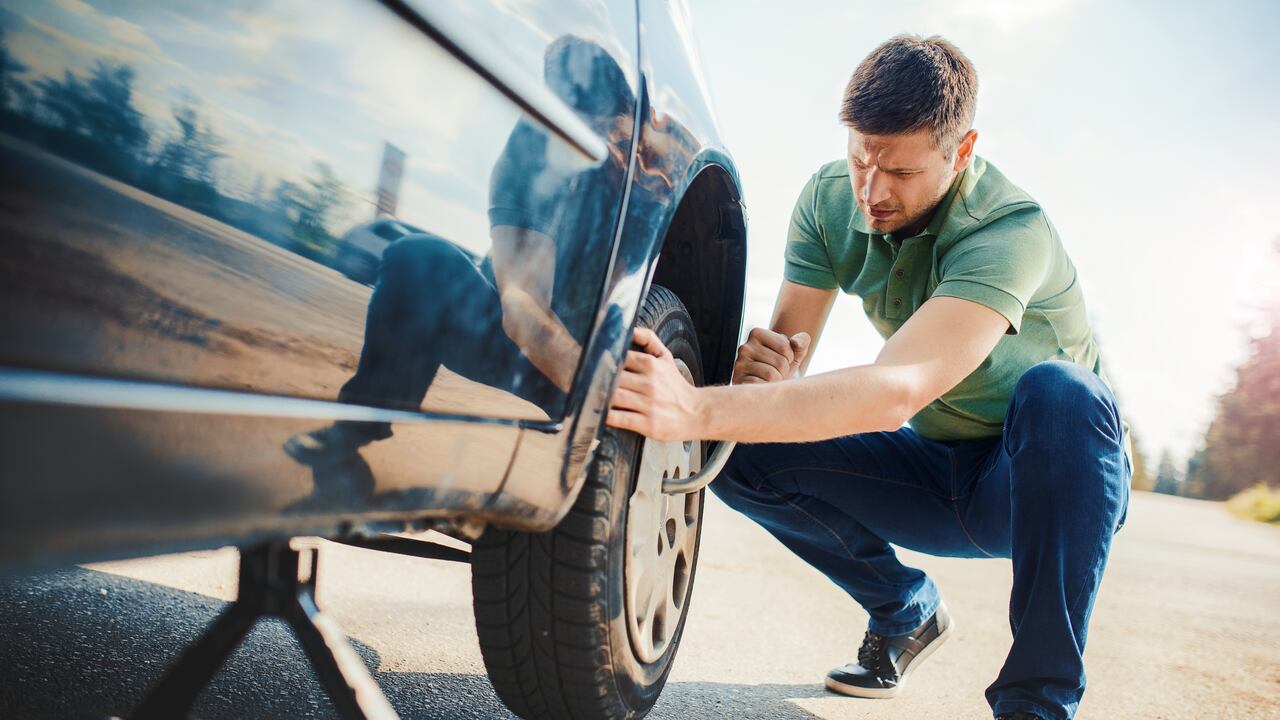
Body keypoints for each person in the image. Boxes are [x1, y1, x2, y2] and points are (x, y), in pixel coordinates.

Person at [605, 34, 1130, 720]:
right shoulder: (831, 199)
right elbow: (787, 354)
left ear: (962, 152)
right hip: (935, 473)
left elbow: (897, 390)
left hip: (1036, 484)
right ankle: (903, 610)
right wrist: (766, 377)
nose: (872, 191)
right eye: (860, 159)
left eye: (901, 173)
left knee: (1063, 393)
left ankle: (1038, 704)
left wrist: (694, 408)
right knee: (738, 449)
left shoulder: (1009, 231)